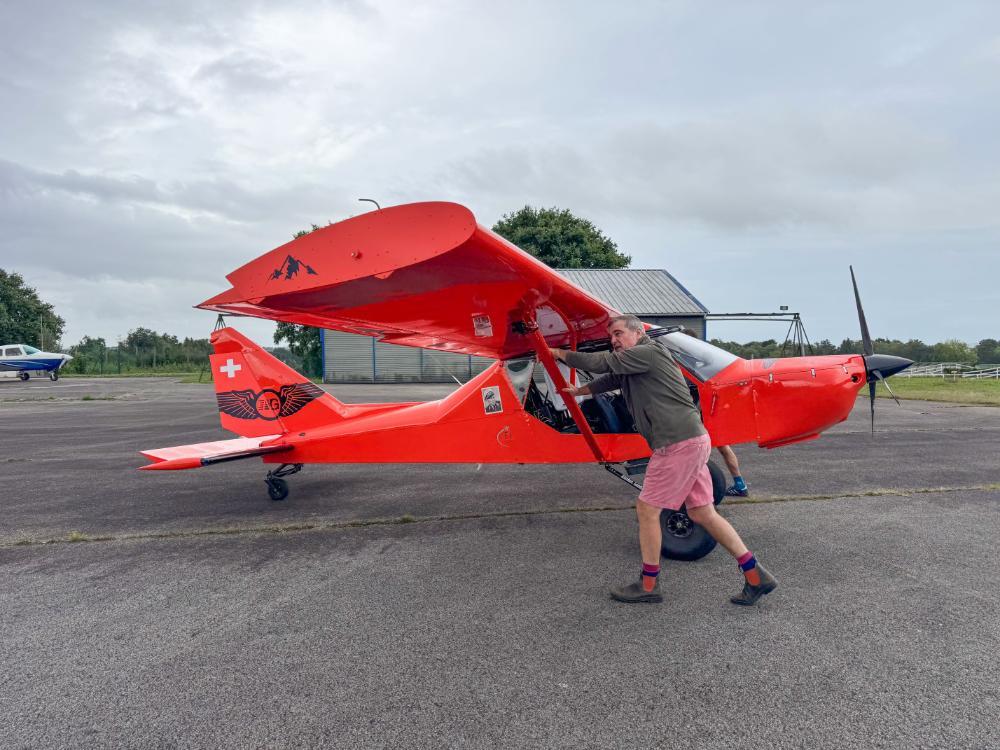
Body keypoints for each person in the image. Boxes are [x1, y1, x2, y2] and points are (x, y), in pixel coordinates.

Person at [550, 315, 776, 605]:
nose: (614, 340)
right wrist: (581, 391)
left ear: (636, 332)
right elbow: (613, 377)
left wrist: (559, 354)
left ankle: (648, 585)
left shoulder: (648, 352)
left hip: (676, 443)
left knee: (647, 509)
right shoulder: (637, 361)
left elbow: (603, 363)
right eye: (611, 336)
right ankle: (756, 576)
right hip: (692, 439)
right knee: (702, 513)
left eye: (618, 334)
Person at [677, 328, 750, 498]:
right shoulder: (702, 359)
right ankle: (740, 484)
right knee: (723, 448)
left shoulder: (683, 363)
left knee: (693, 451)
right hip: (710, 410)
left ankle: (699, 490)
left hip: (697, 414)